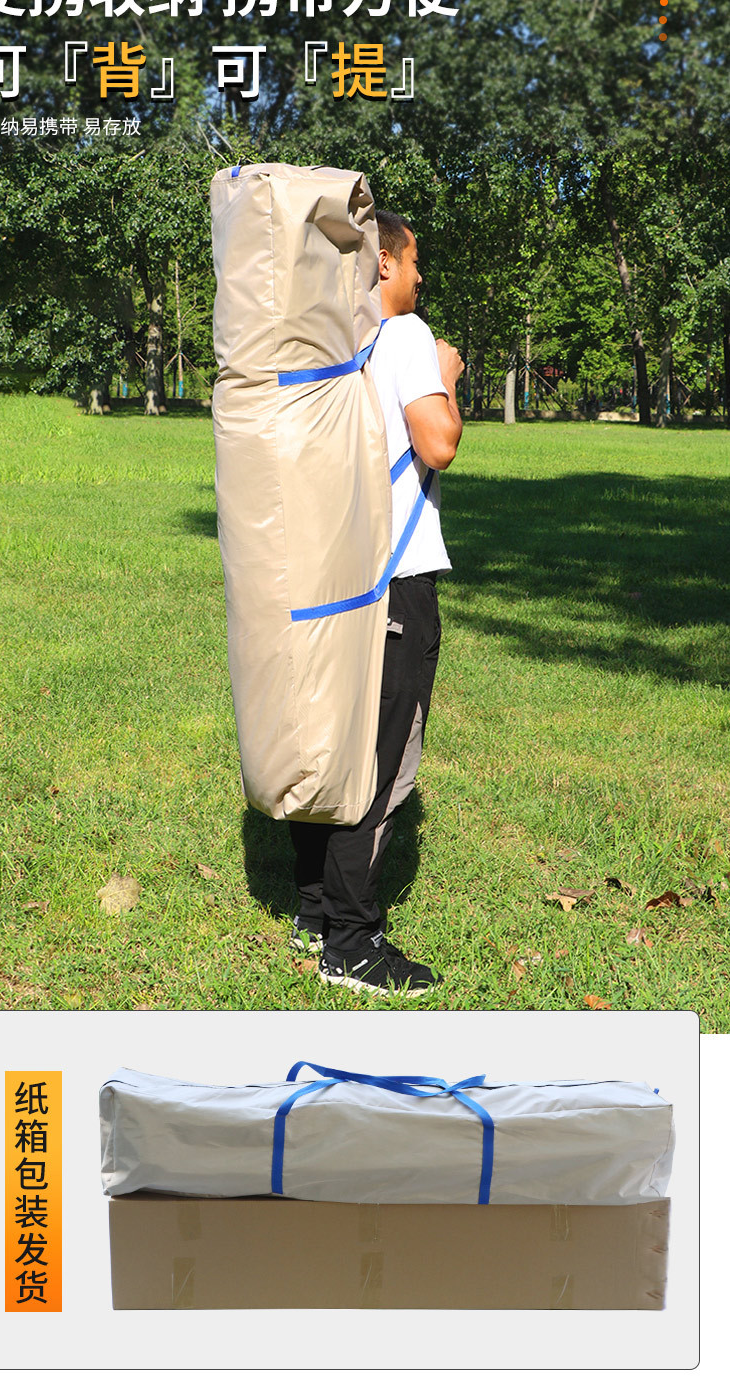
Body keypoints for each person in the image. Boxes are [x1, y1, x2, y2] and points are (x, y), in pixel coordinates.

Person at [289, 209, 464, 997]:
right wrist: (446, 375)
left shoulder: (333, 344)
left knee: (331, 745)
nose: (421, 275)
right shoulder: (406, 336)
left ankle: (315, 911)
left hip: (332, 582)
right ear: (384, 263)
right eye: (414, 260)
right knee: (384, 760)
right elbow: (438, 443)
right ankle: (353, 943)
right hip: (398, 579)